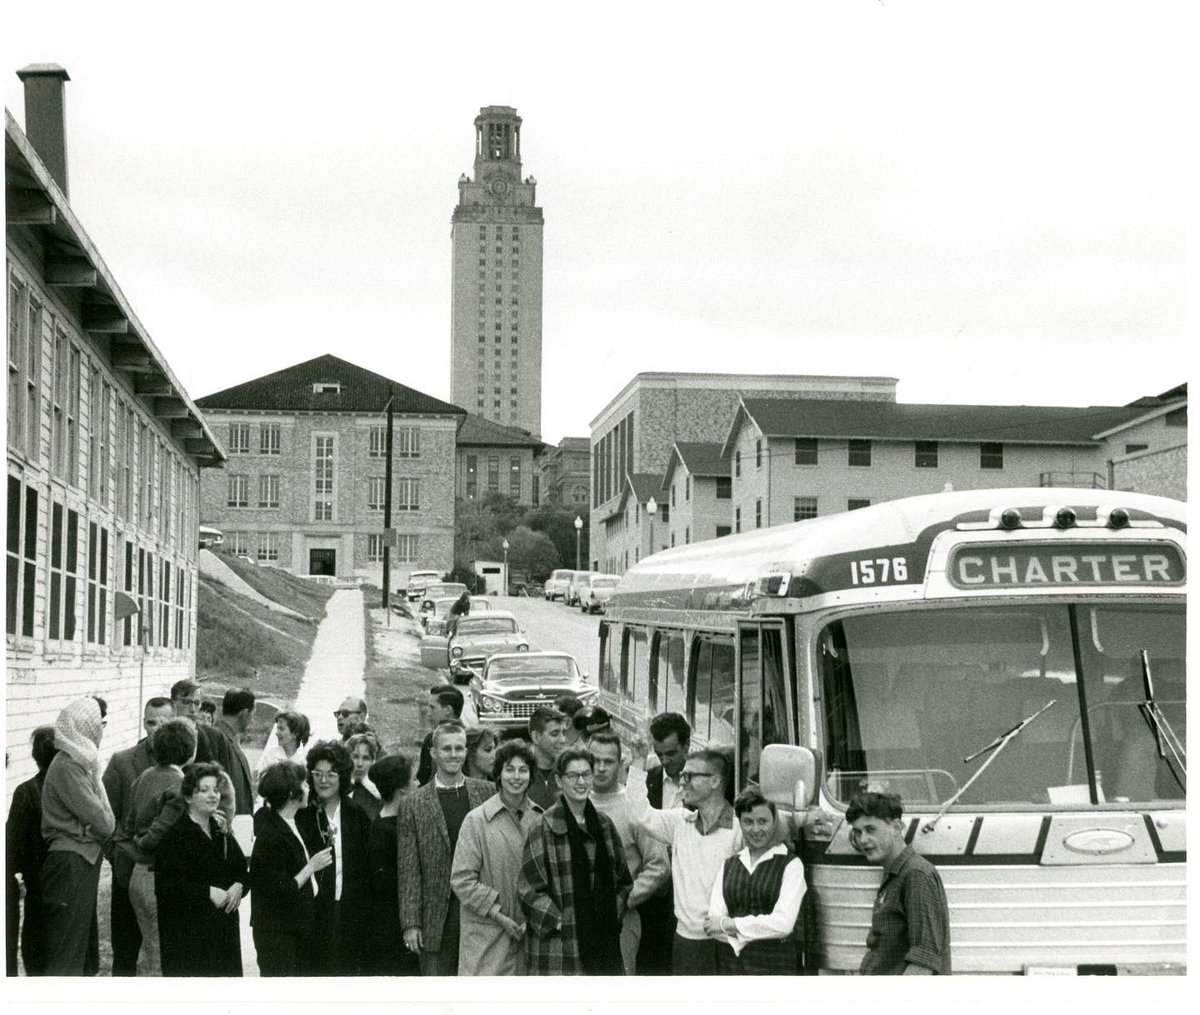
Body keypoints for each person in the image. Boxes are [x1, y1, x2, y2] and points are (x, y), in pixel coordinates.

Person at [518, 746, 632, 975]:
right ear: (559, 781)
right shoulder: (543, 826)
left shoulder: (604, 825)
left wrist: (610, 912)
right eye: (573, 775)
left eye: (586, 774)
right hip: (560, 946)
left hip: (603, 942)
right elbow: (528, 890)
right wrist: (561, 922)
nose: (581, 781)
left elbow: (623, 881)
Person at [633, 749, 741, 975]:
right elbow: (639, 815)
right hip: (686, 942)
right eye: (683, 775)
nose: (682, 782)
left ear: (715, 781)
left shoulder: (741, 830)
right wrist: (638, 759)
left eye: (690, 776)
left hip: (728, 942)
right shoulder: (680, 822)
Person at [397, 722, 493, 975]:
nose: (453, 754)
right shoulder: (414, 803)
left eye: (459, 748)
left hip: (480, 915)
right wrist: (411, 924)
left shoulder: (487, 793)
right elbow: (409, 868)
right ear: (433, 753)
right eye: (446, 748)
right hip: (437, 919)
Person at [451, 739, 542, 975]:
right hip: (487, 937)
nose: (516, 776)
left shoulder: (540, 819)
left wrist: (532, 917)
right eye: (509, 769)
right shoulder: (476, 820)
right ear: (498, 773)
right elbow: (462, 879)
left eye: (523, 770)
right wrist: (498, 914)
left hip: (530, 936)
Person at [40, 696, 115, 975]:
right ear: (88, 727)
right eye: (100, 724)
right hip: (70, 862)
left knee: (78, 949)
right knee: (66, 954)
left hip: (80, 859)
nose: (102, 730)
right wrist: (90, 826)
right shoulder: (69, 765)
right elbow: (106, 823)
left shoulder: (82, 762)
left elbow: (100, 822)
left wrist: (91, 825)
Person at [102, 695, 174, 975]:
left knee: (164, 953)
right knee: (126, 951)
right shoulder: (122, 762)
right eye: (150, 722)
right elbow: (106, 815)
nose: (157, 729)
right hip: (129, 869)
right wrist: (117, 853)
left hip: (169, 873)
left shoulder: (186, 762)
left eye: (164, 723)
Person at [154, 762, 248, 976]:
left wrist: (239, 886)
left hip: (224, 935)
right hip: (190, 940)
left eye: (215, 790)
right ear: (188, 797)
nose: (213, 795)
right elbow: (167, 887)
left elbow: (242, 869)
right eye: (204, 790)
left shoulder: (221, 831)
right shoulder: (175, 837)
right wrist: (206, 892)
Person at [588, 732, 670, 974]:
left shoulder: (632, 807)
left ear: (620, 764)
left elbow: (659, 866)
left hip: (622, 921)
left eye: (608, 761)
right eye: (594, 761)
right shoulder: (573, 801)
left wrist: (626, 899)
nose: (600, 768)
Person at [847, 791, 951, 975]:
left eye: (871, 830)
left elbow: (923, 964)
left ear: (896, 828)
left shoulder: (916, 875)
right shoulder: (896, 873)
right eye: (857, 832)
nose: (862, 840)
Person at [704, 787, 805, 974]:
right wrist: (759, 929)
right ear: (740, 823)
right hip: (732, 967)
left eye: (763, 821)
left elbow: (783, 924)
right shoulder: (729, 864)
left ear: (775, 821)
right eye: (748, 822)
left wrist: (731, 925)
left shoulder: (791, 865)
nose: (756, 829)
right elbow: (713, 924)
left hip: (776, 968)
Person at [125, 718, 198, 975]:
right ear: (190, 751)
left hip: (138, 874)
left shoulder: (146, 775)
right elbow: (159, 832)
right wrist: (143, 841)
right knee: (162, 954)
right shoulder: (179, 785)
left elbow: (131, 820)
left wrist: (137, 839)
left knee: (150, 947)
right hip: (157, 876)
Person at [249, 762, 333, 976]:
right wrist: (311, 866)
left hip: (294, 927)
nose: (308, 788)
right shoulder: (271, 835)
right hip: (279, 934)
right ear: (291, 793)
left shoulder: (290, 823)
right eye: (303, 784)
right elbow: (279, 890)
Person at [296, 740, 372, 975]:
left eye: (331, 774)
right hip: (314, 913)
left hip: (349, 912)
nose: (323, 780)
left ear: (342, 777)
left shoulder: (356, 815)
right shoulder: (303, 816)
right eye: (318, 774)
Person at [637, 711, 691, 974]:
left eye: (671, 753)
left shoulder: (705, 781)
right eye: (659, 754)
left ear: (687, 746)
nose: (665, 760)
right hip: (656, 894)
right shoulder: (650, 779)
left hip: (689, 890)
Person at [6, 726, 56, 975]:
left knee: (36, 950)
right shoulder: (74, 788)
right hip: (66, 878)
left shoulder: (26, 792)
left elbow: (12, 848)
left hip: (37, 882)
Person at [366, 754, 420, 975]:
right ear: (402, 788)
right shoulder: (387, 831)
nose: (418, 783)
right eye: (414, 779)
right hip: (393, 932)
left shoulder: (391, 823)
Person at [211, 688, 255, 816]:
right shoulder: (218, 738)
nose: (252, 720)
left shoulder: (231, 737)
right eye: (253, 714)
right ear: (244, 713)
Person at [416, 685, 465, 785]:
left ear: (447, 710)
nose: (428, 713)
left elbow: (424, 780)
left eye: (432, 708)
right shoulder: (471, 738)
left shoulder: (431, 740)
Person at [254, 710, 311, 794]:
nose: (277, 733)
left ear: (295, 733)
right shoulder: (271, 755)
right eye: (277, 728)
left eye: (281, 729)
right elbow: (257, 782)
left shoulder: (306, 758)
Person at [525, 706, 569, 810]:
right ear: (536, 737)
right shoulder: (520, 774)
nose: (563, 740)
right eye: (555, 734)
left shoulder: (570, 773)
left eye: (564, 733)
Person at [170, 680, 220, 762]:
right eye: (186, 702)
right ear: (173, 703)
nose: (192, 710)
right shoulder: (162, 735)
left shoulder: (211, 736)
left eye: (197, 703)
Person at [346, 732, 382, 821]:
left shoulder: (378, 794)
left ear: (373, 762)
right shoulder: (336, 789)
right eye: (355, 757)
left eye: (366, 758)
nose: (360, 764)